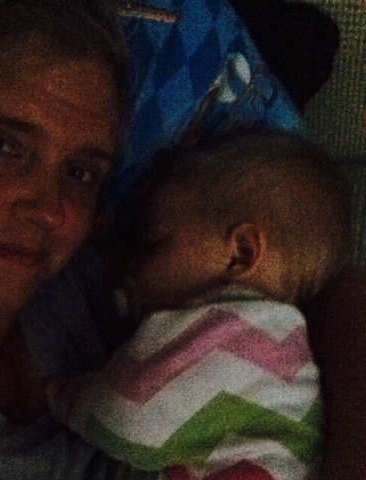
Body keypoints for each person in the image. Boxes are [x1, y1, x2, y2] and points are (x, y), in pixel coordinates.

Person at [0, 0, 364, 479]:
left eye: (81, 172)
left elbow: (328, 286)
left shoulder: (95, 275)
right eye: (0, 144)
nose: (49, 211)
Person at [45, 132, 351, 480]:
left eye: (153, 244)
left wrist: (66, 396)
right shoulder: (279, 343)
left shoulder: (233, 331)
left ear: (241, 253)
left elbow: (130, 413)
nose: (131, 266)